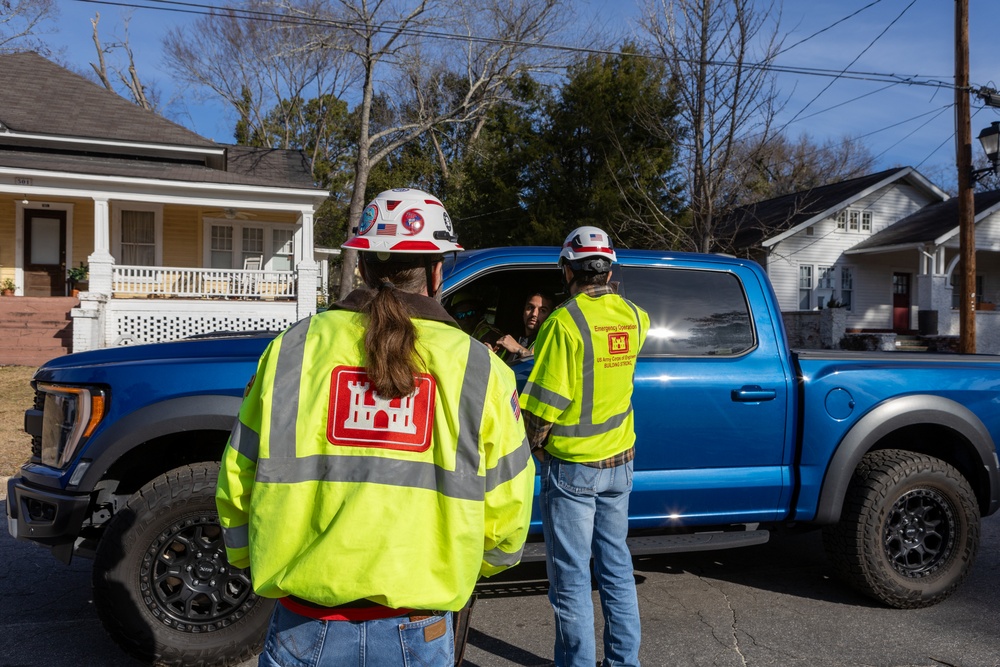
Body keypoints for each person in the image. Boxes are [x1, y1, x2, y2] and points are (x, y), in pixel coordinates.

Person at [216, 187, 535, 667]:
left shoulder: (292, 351)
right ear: (437, 270)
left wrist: (252, 560)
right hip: (418, 626)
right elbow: (508, 509)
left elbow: (237, 480)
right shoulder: (480, 368)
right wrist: (470, 567)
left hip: (304, 624)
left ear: (362, 265)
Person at [519, 226, 649, 667]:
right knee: (616, 569)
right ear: (609, 269)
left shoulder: (564, 322)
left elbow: (543, 407)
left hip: (573, 468)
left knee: (571, 580)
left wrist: (531, 450)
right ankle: (622, 662)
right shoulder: (635, 316)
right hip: (621, 462)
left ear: (567, 269)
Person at [495, 291, 555, 362]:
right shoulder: (513, 338)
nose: (534, 314)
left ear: (550, 316)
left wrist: (519, 349)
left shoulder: (550, 342)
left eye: (542, 310)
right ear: (523, 311)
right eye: (530, 307)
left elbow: (543, 366)